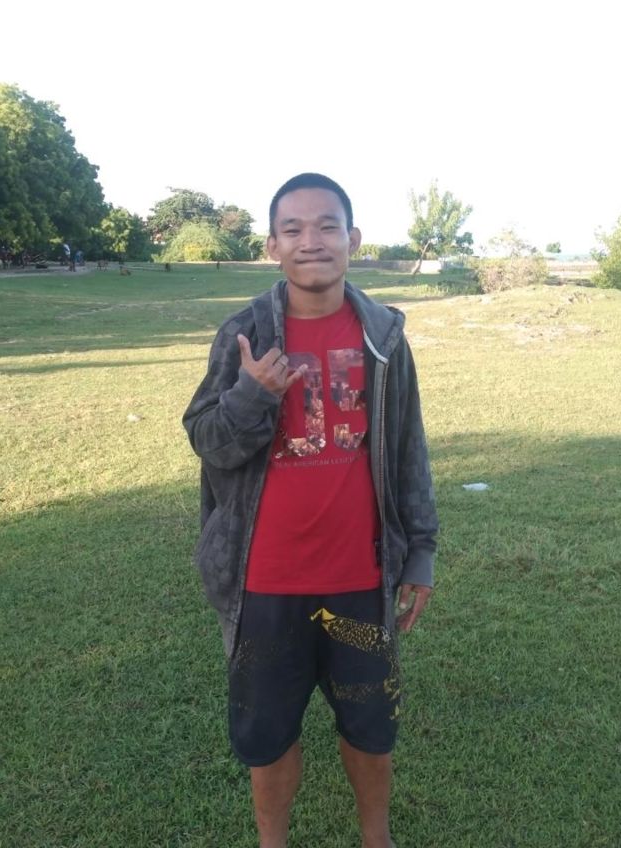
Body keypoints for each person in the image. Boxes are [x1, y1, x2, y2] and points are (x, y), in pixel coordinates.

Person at [182, 173, 438, 848]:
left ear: (353, 239)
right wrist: (250, 395)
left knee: (370, 726)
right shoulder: (242, 334)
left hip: (359, 582)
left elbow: (408, 449)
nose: (311, 241)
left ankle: (376, 838)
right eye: (292, 229)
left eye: (327, 226)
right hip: (265, 586)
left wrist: (421, 552)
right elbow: (207, 441)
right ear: (272, 246)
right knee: (267, 737)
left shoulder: (384, 336)